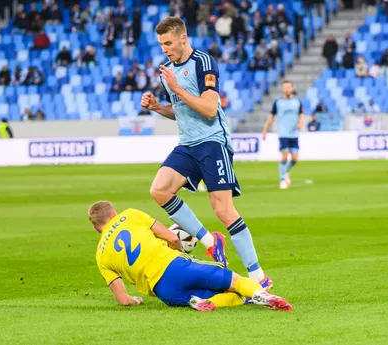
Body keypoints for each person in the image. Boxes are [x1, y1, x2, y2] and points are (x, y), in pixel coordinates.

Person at [140, 17, 272, 289]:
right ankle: (211, 241)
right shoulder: (168, 72)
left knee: (223, 209)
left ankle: (259, 276)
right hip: (188, 144)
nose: (164, 49)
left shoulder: (203, 62)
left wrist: (176, 88)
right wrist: (157, 107)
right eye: (161, 44)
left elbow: (210, 109)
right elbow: (181, 111)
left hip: (213, 142)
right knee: (159, 189)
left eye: (168, 43)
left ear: (183, 38)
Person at [89, 201, 292, 311]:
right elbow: (170, 236)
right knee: (236, 282)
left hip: (163, 291)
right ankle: (263, 295)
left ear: (96, 229)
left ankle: (202, 303)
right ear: (114, 214)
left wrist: (135, 301)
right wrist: (181, 253)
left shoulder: (100, 255)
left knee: (219, 298)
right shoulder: (130, 214)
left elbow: (123, 300)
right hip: (175, 265)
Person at [261, 81, 304, 190]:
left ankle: (285, 172)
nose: (287, 89)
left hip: (294, 133)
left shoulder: (297, 102)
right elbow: (271, 117)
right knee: (284, 156)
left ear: (292, 88)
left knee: (295, 159)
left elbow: (301, 115)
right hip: (283, 133)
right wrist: (265, 130)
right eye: (285, 87)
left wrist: (300, 123)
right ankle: (282, 180)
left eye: (289, 87)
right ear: (282, 89)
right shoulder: (278, 102)